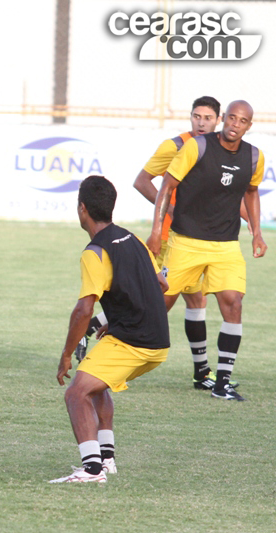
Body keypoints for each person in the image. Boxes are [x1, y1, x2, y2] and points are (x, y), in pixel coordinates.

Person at [78, 97, 239, 392]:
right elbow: (143, 181)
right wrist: (169, 215)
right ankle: (92, 328)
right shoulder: (175, 146)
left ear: (219, 120)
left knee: (195, 300)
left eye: (208, 117)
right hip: (174, 238)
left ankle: (202, 373)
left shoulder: (221, 151)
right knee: (158, 301)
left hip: (201, 239)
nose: (201, 122)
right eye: (196, 116)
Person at [51, 176, 169, 483]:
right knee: (97, 382)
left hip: (134, 341)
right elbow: (161, 284)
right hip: (158, 343)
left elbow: (83, 309)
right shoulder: (133, 239)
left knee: (76, 393)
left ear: (82, 209)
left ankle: (92, 470)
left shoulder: (95, 252)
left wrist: (66, 355)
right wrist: (109, 321)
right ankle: (107, 458)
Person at [146, 100, 267, 402]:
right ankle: (103, 330)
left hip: (226, 245)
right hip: (185, 242)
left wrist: (257, 233)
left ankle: (220, 382)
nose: (235, 124)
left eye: (242, 121)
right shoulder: (196, 147)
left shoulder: (254, 156)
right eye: (231, 118)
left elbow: (251, 193)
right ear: (224, 119)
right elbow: (165, 187)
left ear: (248, 125)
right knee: (156, 305)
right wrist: (155, 232)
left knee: (233, 303)